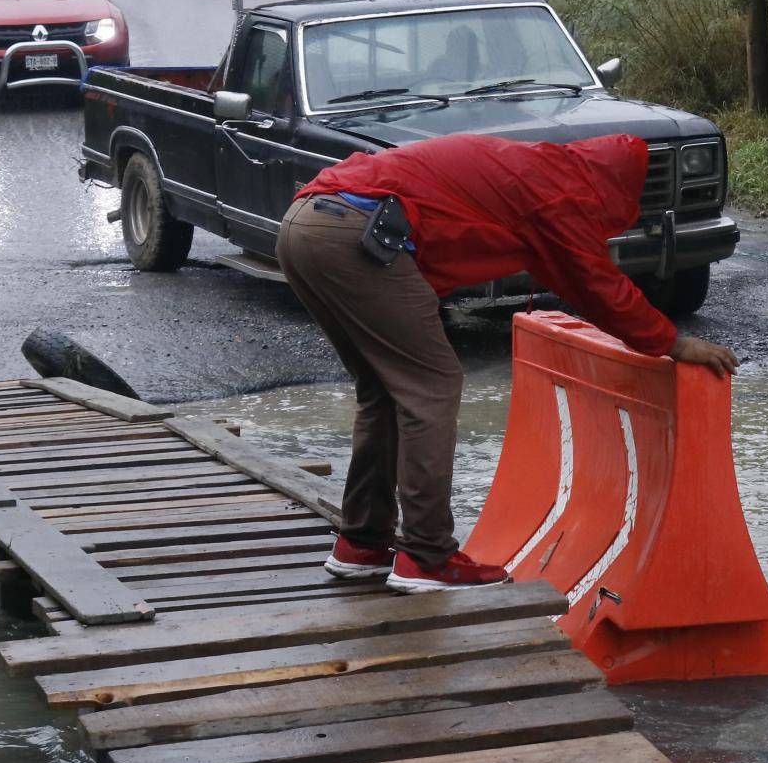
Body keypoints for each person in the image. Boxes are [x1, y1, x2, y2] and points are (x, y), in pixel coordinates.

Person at [276, 133, 739, 593]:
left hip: (305, 222)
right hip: (357, 232)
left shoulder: (532, 170)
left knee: (383, 389)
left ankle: (362, 544)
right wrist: (672, 343)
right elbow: (597, 286)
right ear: (616, 189)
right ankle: (426, 556)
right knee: (432, 386)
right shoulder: (562, 195)